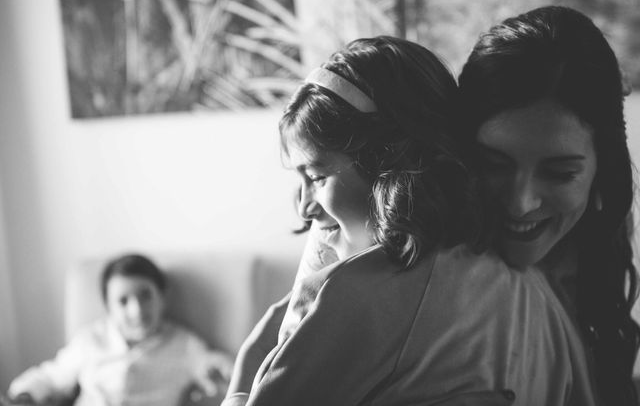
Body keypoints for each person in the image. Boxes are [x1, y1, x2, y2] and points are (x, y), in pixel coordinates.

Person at [223, 35, 599, 406]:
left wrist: (245, 377)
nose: (305, 206)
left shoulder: (358, 298)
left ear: (386, 164)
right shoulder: (541, 298)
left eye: (317, 177)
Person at [457, 5, 640, 405]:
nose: (521, 203)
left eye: (559, 174)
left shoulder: (595, 240)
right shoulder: (432, 280)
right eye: (492, 165)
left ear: (601, 170)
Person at [7, 253, 233, 406]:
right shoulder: (90, 340)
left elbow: (215, 367)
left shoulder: (185, 344)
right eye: (123, 301)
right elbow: (51, 376)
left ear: (162, 297)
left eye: (145, 296)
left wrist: (220, 371)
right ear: (108, 308)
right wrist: (23, 394)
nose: (137, 310)